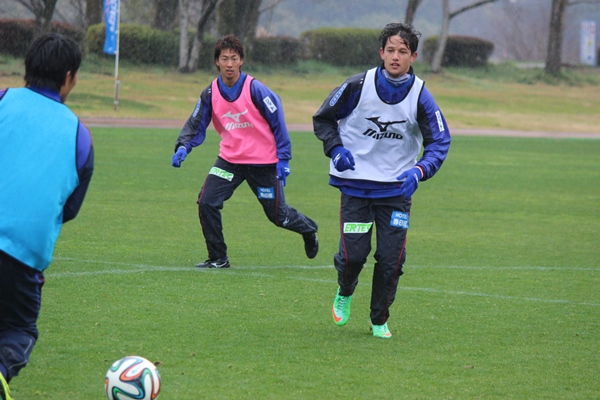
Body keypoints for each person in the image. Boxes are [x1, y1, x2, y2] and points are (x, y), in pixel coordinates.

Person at [313, 22, 451, 339]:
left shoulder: (421, 96)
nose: (395, 56)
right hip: (356, 188)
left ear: (413, 56)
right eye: (390, 50)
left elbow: (440, 142)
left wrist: (419, 171)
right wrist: (335, 151)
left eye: (403, 51)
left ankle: (379, 319)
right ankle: (345, 290)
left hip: (395, 193)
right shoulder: (357, 85)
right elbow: (323, 119)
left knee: (392, 259)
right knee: (353, 256)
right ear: (381, 52)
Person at [171, 34, 318, 269]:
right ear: (217, 62)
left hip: (263, 163)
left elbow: (278, 122)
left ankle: (308, 229)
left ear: (241, 61)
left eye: (234, 58)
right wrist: (183, 146)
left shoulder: (256, 89)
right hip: (230, 160)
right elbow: (196, 122)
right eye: (224, 58)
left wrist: (283, 159)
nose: (229, 63)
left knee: (278, 217)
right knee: (207, 202)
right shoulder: (210, 93)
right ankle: (218, 258)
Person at [0, 33, 94, 399]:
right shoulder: (80, 138)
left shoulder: (3, 101)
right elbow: (68, 209)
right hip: (23, 258)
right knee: (19, 329)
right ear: (69, 77)